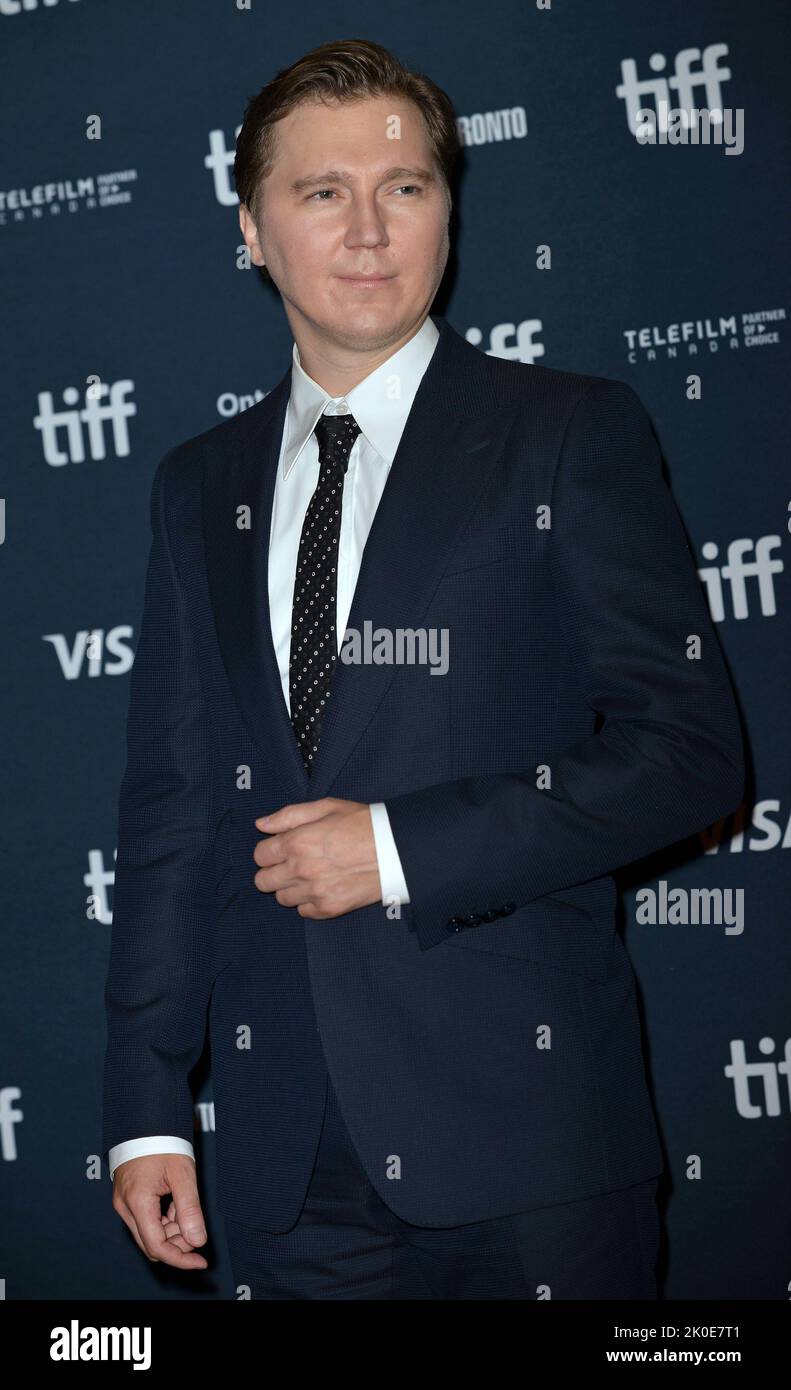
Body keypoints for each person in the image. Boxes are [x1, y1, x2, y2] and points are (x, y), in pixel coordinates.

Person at [102, 38, 744, 1299]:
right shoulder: (199, 485)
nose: (365, 230)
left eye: (403, 188)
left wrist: (398, 848)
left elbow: (689, 754)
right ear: (251, 227)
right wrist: (146, 1107)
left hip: (529, 1140)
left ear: (447, 213)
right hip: (286, 1164)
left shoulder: (568, 433)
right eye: (319, 192)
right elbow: (174, 811)